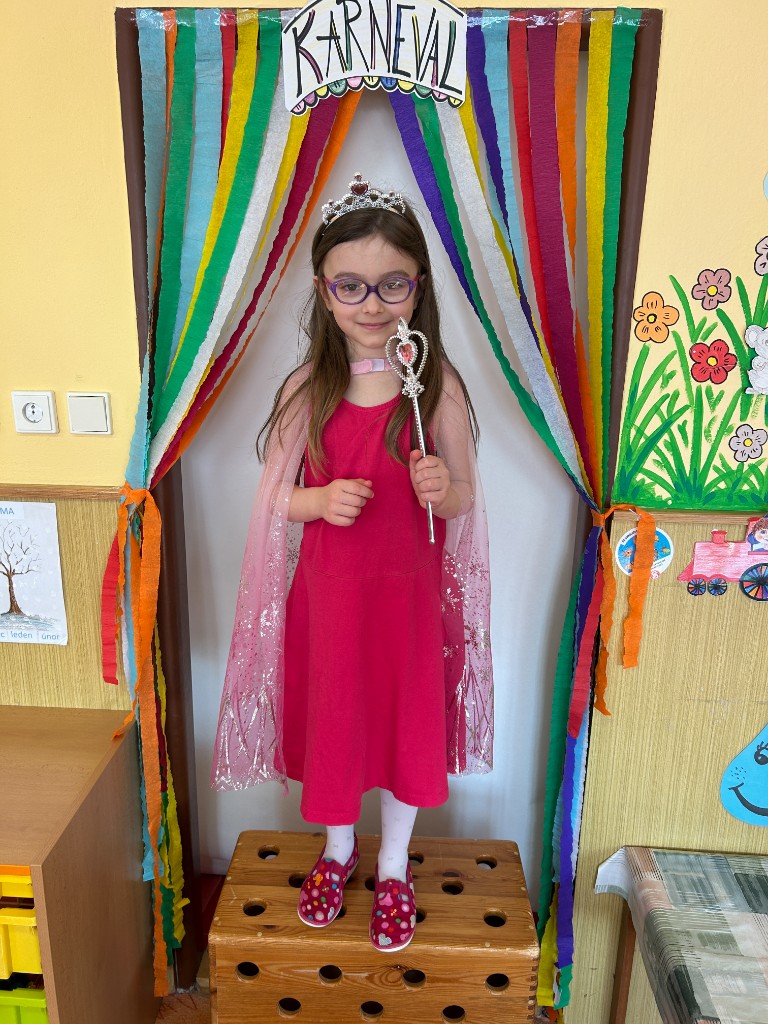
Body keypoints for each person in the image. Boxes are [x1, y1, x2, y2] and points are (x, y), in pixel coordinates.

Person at [212, 174, 493, 952]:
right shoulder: (309, 388)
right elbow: (273, 499)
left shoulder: (436, 389)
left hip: (407, 607)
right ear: (323, 290)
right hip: (331, 603)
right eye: (351, 286)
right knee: (337, 726)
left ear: (418, 286)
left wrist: (442, 489)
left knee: (404, 729)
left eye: (392, 284)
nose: (373, 304)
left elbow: (464, 496)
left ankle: (394, 866)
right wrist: (318, 499)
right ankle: (339, 852)